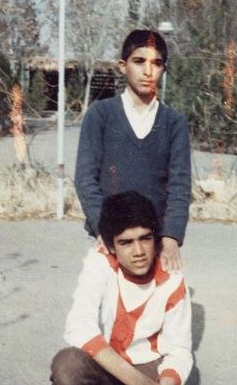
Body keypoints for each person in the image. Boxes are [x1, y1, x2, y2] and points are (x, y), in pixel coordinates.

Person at [51, 192, 216, 385]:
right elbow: (79, 326)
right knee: (67, 366)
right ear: (110, 246)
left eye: (145, 238)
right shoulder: (99, 263)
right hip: (107, 371)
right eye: (126, 242)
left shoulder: (172, 277)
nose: (138, 251)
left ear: (156, 239)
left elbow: (179, 350)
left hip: (150, 371)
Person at [74, 29, 191, 274]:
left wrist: (171, 236)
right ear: (123, 66)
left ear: (164, 69)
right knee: (104, 296)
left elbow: (179, 185)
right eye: (139, 61)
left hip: (153, 240)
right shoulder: (101, 115)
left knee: (155, 298)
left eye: (156, 63)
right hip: (108, 238)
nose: (148, 71)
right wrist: (104, 229)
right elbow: (85, 179)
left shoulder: (174, 122)